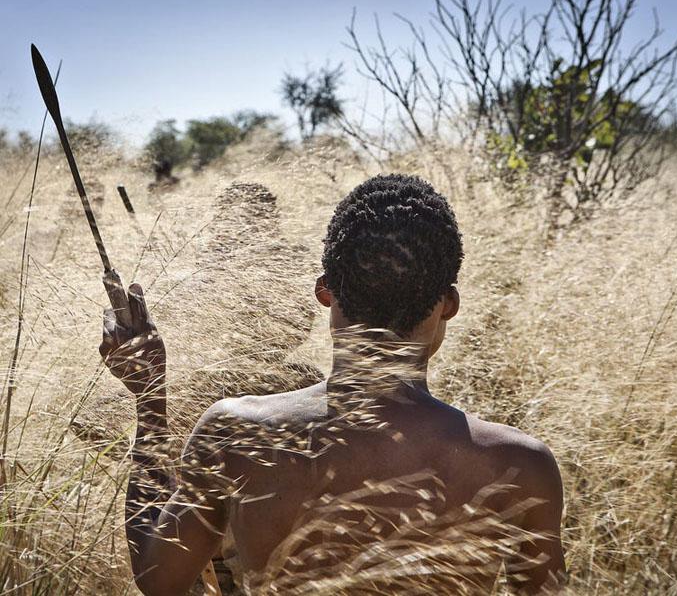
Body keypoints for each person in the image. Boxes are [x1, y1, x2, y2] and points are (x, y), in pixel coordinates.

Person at [100, 174, 565, 595]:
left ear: (325, 292)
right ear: (448, 304)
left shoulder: (236, 432)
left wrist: (149, 400)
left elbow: (159, 579)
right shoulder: (520, 464)